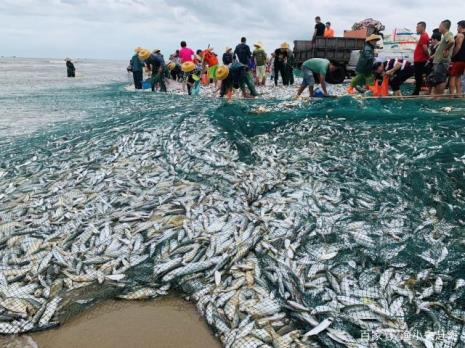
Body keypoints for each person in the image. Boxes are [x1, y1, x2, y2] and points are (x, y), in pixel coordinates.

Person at [428, 20, 455, 95]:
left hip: (442, 61)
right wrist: (433, 56)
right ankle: (436, 95)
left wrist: (446, 49)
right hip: (439, 61)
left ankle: (438, 96)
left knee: (441, 80)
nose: (439, 27)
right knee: (436, 79)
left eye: (440, 26)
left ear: (444, 27)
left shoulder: (448, 34)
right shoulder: (444, 36)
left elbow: (452, 41)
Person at [413, 22, 430, 95]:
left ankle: (416, 92)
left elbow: (425, 48)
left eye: (417, 27)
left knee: (418, 76)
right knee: (418, 76)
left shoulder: (424, 36)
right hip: (419, 59)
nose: (416, 29)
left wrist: (428, 57)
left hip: (420, 60)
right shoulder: (423, 36)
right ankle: (417, 91)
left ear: (422, 27)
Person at [449, 21, 465, 96]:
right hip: (463, 60)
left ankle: (451, 95)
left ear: (461, 27)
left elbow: (458, 47)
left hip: (459, 59)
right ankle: (459, 94)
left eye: (458, 26)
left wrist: (452, 56)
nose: (457, 28)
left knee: (452, 76)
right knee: (458, 77)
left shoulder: (460, 35)